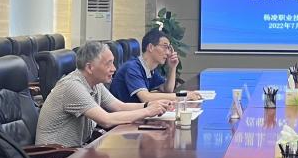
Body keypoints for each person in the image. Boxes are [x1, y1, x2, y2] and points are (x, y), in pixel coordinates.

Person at [36, 40, 169, 148]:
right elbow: (106, 120)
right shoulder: (72, 86)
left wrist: (149, 105)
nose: (114, 68)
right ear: (90, 67)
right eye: (108, 64)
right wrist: (148, 111)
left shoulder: (95, 83)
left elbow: (119, 106)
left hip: (77, 150)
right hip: (56, 157)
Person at [111, 28, 201, 103]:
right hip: (122, 117)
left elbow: (167, 90)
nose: (168, 53)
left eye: (169, 48)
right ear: (150, 47)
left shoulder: (150, 70)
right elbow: (146, 98)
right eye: (165, 47)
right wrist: (182, 96)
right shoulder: (132, 68)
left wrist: (172, 67)